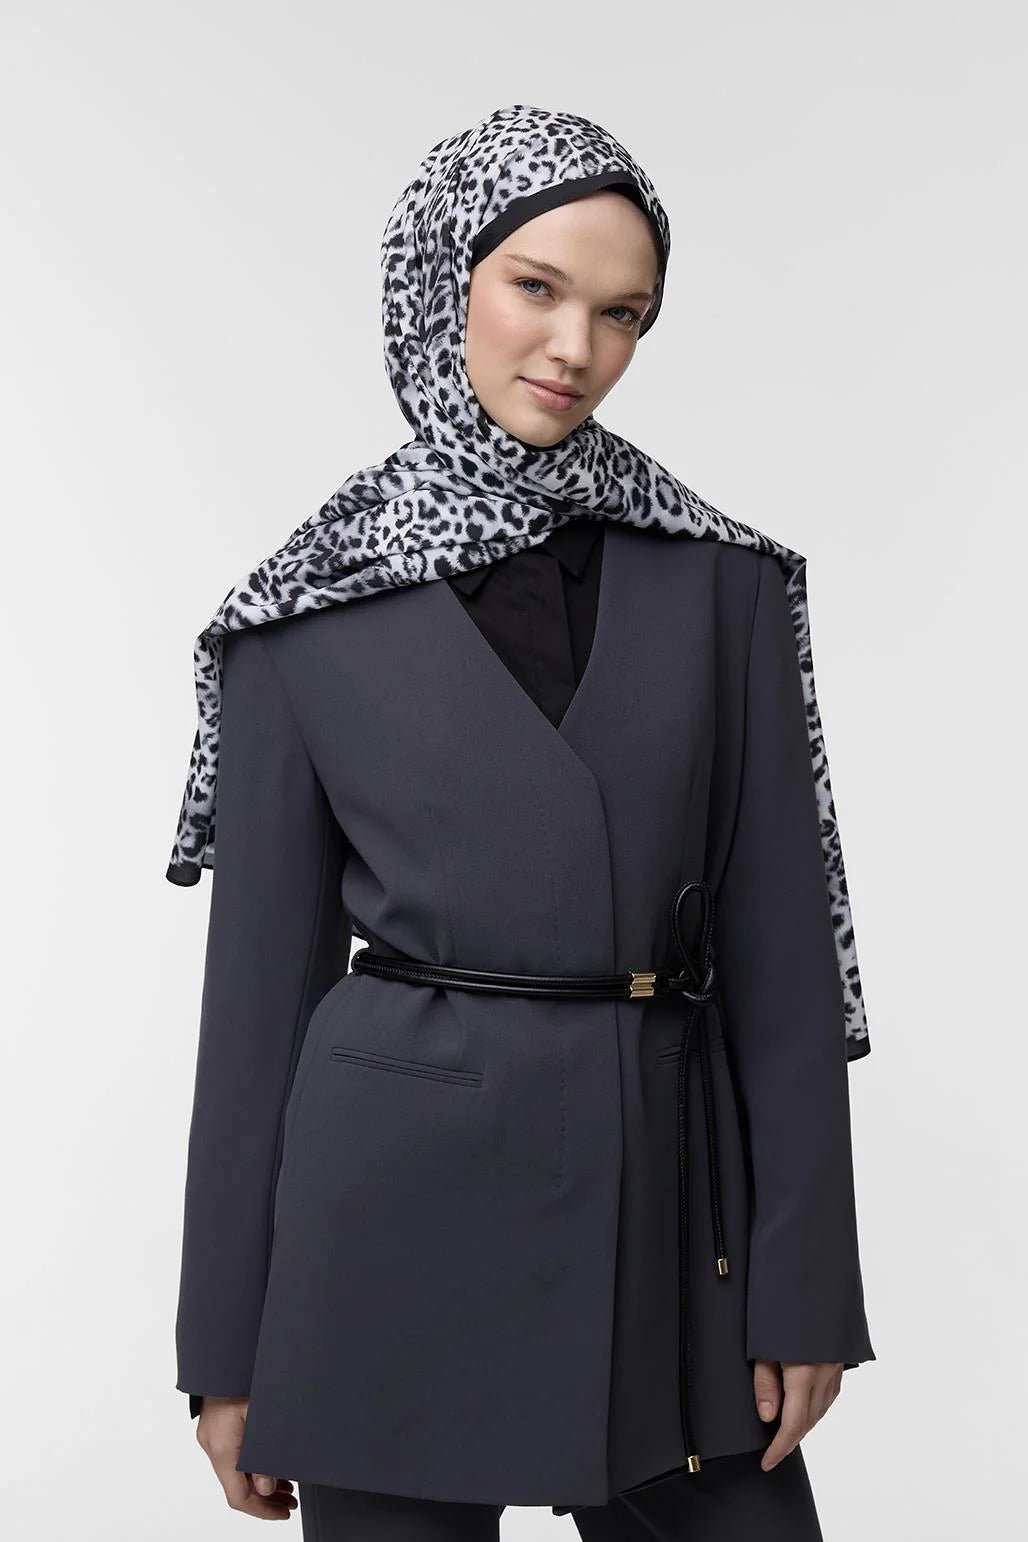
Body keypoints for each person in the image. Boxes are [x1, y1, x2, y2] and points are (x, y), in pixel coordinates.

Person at [168, 105, 875, 1539]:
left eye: (623, 315)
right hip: (385, 1233)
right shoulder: (297, 615)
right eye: (536, 287)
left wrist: (806, 1286)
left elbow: (784, 964)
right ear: (445, 278)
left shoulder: (723, 582)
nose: (574, 349)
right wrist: (226, 1348)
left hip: (670, 1202)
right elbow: (258, 1012)